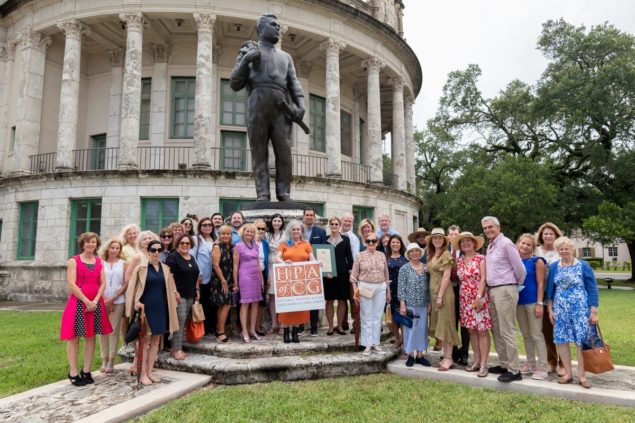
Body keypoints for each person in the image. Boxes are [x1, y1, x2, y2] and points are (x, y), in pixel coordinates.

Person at [230, 13, 305, 202]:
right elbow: (235, 83)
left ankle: (284, 192)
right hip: (258, 103)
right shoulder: (249, 50)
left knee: (284, 151)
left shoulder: (286, 57)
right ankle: (262, 193)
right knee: (259, 151)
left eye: (278, 25)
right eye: (273, 25)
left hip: (281, 107)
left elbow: (293, 83)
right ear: (261, 29)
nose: (278, 28)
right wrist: (246, 60)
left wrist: (301, 104)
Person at [60, 232, 113, 386]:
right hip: (78, 304)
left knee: (91, 337)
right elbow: (71, 284)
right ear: (82, 244)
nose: (91, 244)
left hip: (95, 304)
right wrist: (86, 301)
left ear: (97, 245)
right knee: (74, 338)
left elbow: (103, 283)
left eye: (94, 242)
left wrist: (95, 301)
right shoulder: (73, 261)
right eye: (88, 242)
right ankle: (74, 372)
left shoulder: (99, 262)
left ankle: (87, 370)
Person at [547, 237, 599, 389]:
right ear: (558, 251)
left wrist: (593, 311)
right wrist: (550, 309)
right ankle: (568, 373)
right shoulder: (555, 266)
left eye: (566, 248)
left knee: (581, 342)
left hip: (580, 311)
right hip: (560, 311)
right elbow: (550, 290)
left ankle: (582, 376)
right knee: (562, 341)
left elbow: (592, 288)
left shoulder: (583, 265)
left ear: (572, 249)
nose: (564, 251)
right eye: (561, 249)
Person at [126, 240, 179, 385]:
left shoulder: (166, 268)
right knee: (144, 342)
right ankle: (142, 373)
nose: (156, 252)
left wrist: (175, 293)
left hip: (161, 308)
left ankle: (149, 371)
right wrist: (134, 303)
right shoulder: (141, 269)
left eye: (159, 250)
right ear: (148, 251)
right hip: (146, 309)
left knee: (156, 341)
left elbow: (170, 288)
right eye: (153, 250)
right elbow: (132, 289)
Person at [482, 216, 527, 383]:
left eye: (490, 227)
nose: (488, 230)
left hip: (505, 289)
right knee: (496, 329)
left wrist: (514, 285)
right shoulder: (491, 246)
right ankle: (504, 364)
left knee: (506, 330)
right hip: (493, 291)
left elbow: (520, 269)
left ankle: (515, 370)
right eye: (485, 228)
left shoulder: (506, 243)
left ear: (498, 227)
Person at [453, 232, 491, 378]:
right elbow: (461, 281)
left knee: (482, 331)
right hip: (465, 299)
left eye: (469, 241)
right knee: (471, 330)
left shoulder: (481, 258)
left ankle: (484, 364)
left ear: (474, 243)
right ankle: (476, 360)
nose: (466, 243)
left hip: (479, 298)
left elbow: (483, 279)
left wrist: (479, 297)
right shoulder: (460, 260)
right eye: (463, 242)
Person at [275, 220, 317, 343]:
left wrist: (318, 264)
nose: (296, 231)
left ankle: (295, 332)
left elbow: (312, 258)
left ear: (301, 231)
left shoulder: (306, 244)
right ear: (290, 231)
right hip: (287, 279)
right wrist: (283, 262)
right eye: (293, 229)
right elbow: (277, 257)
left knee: (300, 306)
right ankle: (286, 332)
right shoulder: (284, 244)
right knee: (287, 306)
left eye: (298, 229)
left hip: (302, 280)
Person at [350, 232, 390, 356]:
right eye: (368, 241)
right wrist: (355, 292)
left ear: (377, 242)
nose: (371, 243)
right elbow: (353, 276)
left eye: (373, 241)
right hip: (365, 286)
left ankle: (376, 343)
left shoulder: (382, 255)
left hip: (380, 287)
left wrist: (388, 291)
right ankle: (367, 344)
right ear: (364, 242)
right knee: (366, 316)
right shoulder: (359, 256)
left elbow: (386, 274)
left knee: (377, 317)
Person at [426, 228, 459, 371]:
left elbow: (446, 276)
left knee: (447, 325)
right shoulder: (432, 254)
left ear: (444, 240)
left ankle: (449, 358)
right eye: (434, 238)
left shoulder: (445, 254)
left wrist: (440, 296)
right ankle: (445, 356)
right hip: (434, 293)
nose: (437, 240)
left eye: (440, 238)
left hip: (444, 293)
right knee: (440, 325)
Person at [516, 233, 549, 380]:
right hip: (518, 302)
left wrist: (539, 303)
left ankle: (542, 367)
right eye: (523, 243)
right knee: (526, 335)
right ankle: (530, 363)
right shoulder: (514, 261)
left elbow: (541, 283)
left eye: (528, 244)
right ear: (518, 243)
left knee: (536, 334)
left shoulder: (537, 261)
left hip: (532, 301)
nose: (525, 246)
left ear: (533, 247)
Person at [536, 222, 565, 376]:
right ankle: (551, 361)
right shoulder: (537, 251)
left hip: (558, 295)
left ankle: (563, 363)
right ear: (541, 236)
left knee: (559, 330)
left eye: (551, 234)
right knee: (545, 330)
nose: (548, 236)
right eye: (545, 234)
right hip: (541, 294)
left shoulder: (561, 251)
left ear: (556, 236)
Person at [166, 234, 200, 360]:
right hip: (178, 294)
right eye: (182, 243)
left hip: (190, 293)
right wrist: (175, 291)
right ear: (177, 244)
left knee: (184, 320)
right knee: (179, 321)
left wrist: (197, 289)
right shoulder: (173, 257)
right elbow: (169, 276)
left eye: (187, 243)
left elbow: (196, 274)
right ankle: (176, 350)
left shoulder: (191, 257)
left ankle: (173, 345)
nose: (185, 245)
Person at [398, 243, 431, 367]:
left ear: (420, 253)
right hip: (410, 304)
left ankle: (420, 355)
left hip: (423, 304)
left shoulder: (426, 268)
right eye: (412, 251)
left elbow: (429, 287)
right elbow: (401, 288)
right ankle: (411, 355)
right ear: (409, 254)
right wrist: (402, 304)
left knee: (422, 329)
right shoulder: (404, 269)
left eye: (417, 251)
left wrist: (430, 303)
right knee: (410, 329)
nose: (415, 253)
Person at [99, 237, 128, 374]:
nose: (114, 250)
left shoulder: (123, 264)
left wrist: (113, 298)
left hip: (118, 300)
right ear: (107, 249)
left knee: (113, 330)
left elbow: (125, 283)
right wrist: (105, 300)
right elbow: (98, 282)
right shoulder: (100, 263)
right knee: (103, 331)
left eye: (117, 248)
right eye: (112, 248)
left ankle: (111, 360)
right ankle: (103, 358)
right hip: (102, 300)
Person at [233, 223, 265, 343]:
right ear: (243, 232)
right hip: (244, 276)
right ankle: (244, 331)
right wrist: (236, 283)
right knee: (245, 303)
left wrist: (261, 279)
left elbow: (258, 264)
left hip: (256, 276)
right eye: (247, 231)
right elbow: (235, 266)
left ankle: (252, 330)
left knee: (256, 303)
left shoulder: (256, 246)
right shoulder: (238, 246)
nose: (249, 233)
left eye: (252, 232)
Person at [324, 216, 354, 335]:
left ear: (340, 226)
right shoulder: (325, 239)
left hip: (342, 274)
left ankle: (340, 326)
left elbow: (350, 258)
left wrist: (351, 274)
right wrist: (326, 272)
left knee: (342, 300)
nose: (334, 226)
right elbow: (322, 257)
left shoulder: (346, 239)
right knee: (329, 300)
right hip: (329, 275)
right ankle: (331, 326)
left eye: (337, 224)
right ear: (329, 225)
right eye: (332, 224)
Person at [448, 224, 470, 366]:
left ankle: (465, 353)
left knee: (465, 323)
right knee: (451, 322)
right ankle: (453, 351)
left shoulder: (466, 251)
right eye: (451, 234)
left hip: (464, 291)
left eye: (456, 234)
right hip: (449, 290)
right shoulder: (444, 251)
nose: (454, 237)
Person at [303, 208, 327, 336]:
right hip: (300, 268)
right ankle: (300, 326)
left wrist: (325, 269)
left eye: (311, 215)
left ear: (314, 217)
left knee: (314, 298)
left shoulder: (321, 232)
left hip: (315, 270)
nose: (309, 217)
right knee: (300, 298)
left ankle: (314, 327)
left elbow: (324, 251)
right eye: (307, 215)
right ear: (303, 217)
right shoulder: (298, 230)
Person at [210, 225, 236, 343]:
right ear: (219, 235)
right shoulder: (217, 247)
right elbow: (215, 265)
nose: (226, 235)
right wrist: (223, 281)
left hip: (228, 279)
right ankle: (220, 332)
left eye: (228, 233)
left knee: (224, 305)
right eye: (223, 233)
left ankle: (219, 329)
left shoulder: (230, 247)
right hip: (220, 280)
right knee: (225, 305)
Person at [193, 217, 216, 336]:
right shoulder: (196, 240)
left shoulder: (215, 239)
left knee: (212, 303)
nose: (207, 227)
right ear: (200, 227)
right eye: (204, 225)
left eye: (209, 225)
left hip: (214, 277)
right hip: (201, 277)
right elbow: (192, 257)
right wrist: (199, 273)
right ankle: (202, 329)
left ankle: (211, 326)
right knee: (203, 302)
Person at [386, 235, 407, 348]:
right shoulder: (386, 258)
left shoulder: (405, 258)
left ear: (401, 244)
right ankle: (397, 338)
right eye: (393, 242)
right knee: (393, 316)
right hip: (390, 289)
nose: (395, 244)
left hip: (403, 290)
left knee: (402, 315)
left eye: (397, 242)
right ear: (389, 244)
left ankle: (405, 340)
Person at [265, 213, 285, 334]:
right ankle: (274, 324)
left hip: (281, 266)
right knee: (272, 296)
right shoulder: (267, 235)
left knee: (282, 295)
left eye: (279, 221)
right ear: (271, 222)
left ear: (282, 222)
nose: (276, 223)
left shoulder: (285, 234)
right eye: (274, 221)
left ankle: (283, 323)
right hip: (269, 266)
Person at [253, 218, 270, 336]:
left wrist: (267, 277)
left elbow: (267, 260)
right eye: (258, 228)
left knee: (261, 302)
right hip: (251, 274)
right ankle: (251, 327)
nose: (260, 230)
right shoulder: (250, 242)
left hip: (263, 273)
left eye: (263, 229)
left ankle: (258, 326)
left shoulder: (265, 243)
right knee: (251, 302)